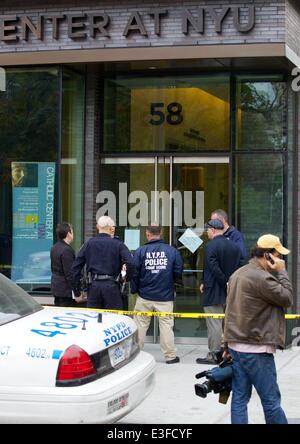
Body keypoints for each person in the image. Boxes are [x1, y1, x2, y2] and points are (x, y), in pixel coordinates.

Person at [223, 234, 293, 424]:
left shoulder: (238, 273)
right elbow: (287, 298)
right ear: (268, 255)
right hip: (257, 348)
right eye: (279, 255)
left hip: (237, 347)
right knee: (271, 401)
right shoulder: (262, 278)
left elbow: (228, 310)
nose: (281, 259)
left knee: (239, 398)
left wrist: (226, 344)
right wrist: (282, 272)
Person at [131, 225, 183, 364]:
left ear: (148, 234)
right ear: (160, 233)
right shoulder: (171, 251)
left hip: (144, 295)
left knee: (140, 324)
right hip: (165, 295)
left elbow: (134, 272)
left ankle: (137, 354)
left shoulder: (140, 251)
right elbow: (178, 270)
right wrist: (173, 285)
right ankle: (170, 356)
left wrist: (135, 290)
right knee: (166, 325)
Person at [196, 219, 242, 364]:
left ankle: (214, 354)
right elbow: (239, 266)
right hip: (229, 292)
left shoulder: (210, 246)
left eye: (208, 230)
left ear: (213, 230)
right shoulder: (234, 247)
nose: (207, 233)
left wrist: (224, 282)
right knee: (227, 324)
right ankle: (227, 352)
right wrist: (229, 283)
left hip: (214, 292)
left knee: (214, 324)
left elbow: (213, 267)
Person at [71, 216, 135, 309]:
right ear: (110, 228)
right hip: (112, 287)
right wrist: (126, 278)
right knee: (113, 318)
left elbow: (75, 268)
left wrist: (77, 291)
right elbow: (131, 263)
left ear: (97, 227)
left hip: (93, 287)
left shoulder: (88, 244)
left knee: (93, 319)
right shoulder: (118, 244)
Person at [51, 222, 85, 307]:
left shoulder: (54, 247)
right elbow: (70, 274)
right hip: (66, 292)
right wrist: (77, 293)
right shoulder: (67, 250)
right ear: (69, 233)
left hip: (56, 288)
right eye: (72, 231)